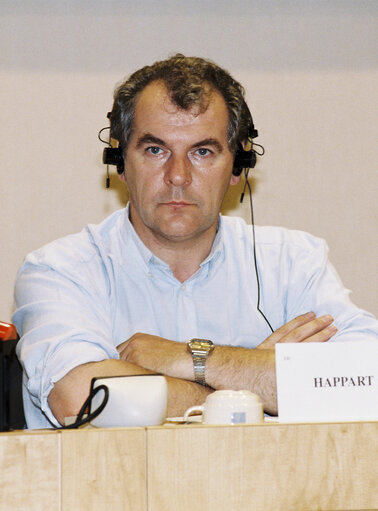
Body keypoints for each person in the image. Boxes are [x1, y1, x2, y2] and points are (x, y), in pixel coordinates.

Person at [13, 54, 378, 429]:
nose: (178, 176)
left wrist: (193, 358)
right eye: (156, 150)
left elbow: (368, 382)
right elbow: (87, 399)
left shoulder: (293, 263)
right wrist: (258, 383)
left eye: (202, 152)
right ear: (120, 161)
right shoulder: (60, 270)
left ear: (237, 167)